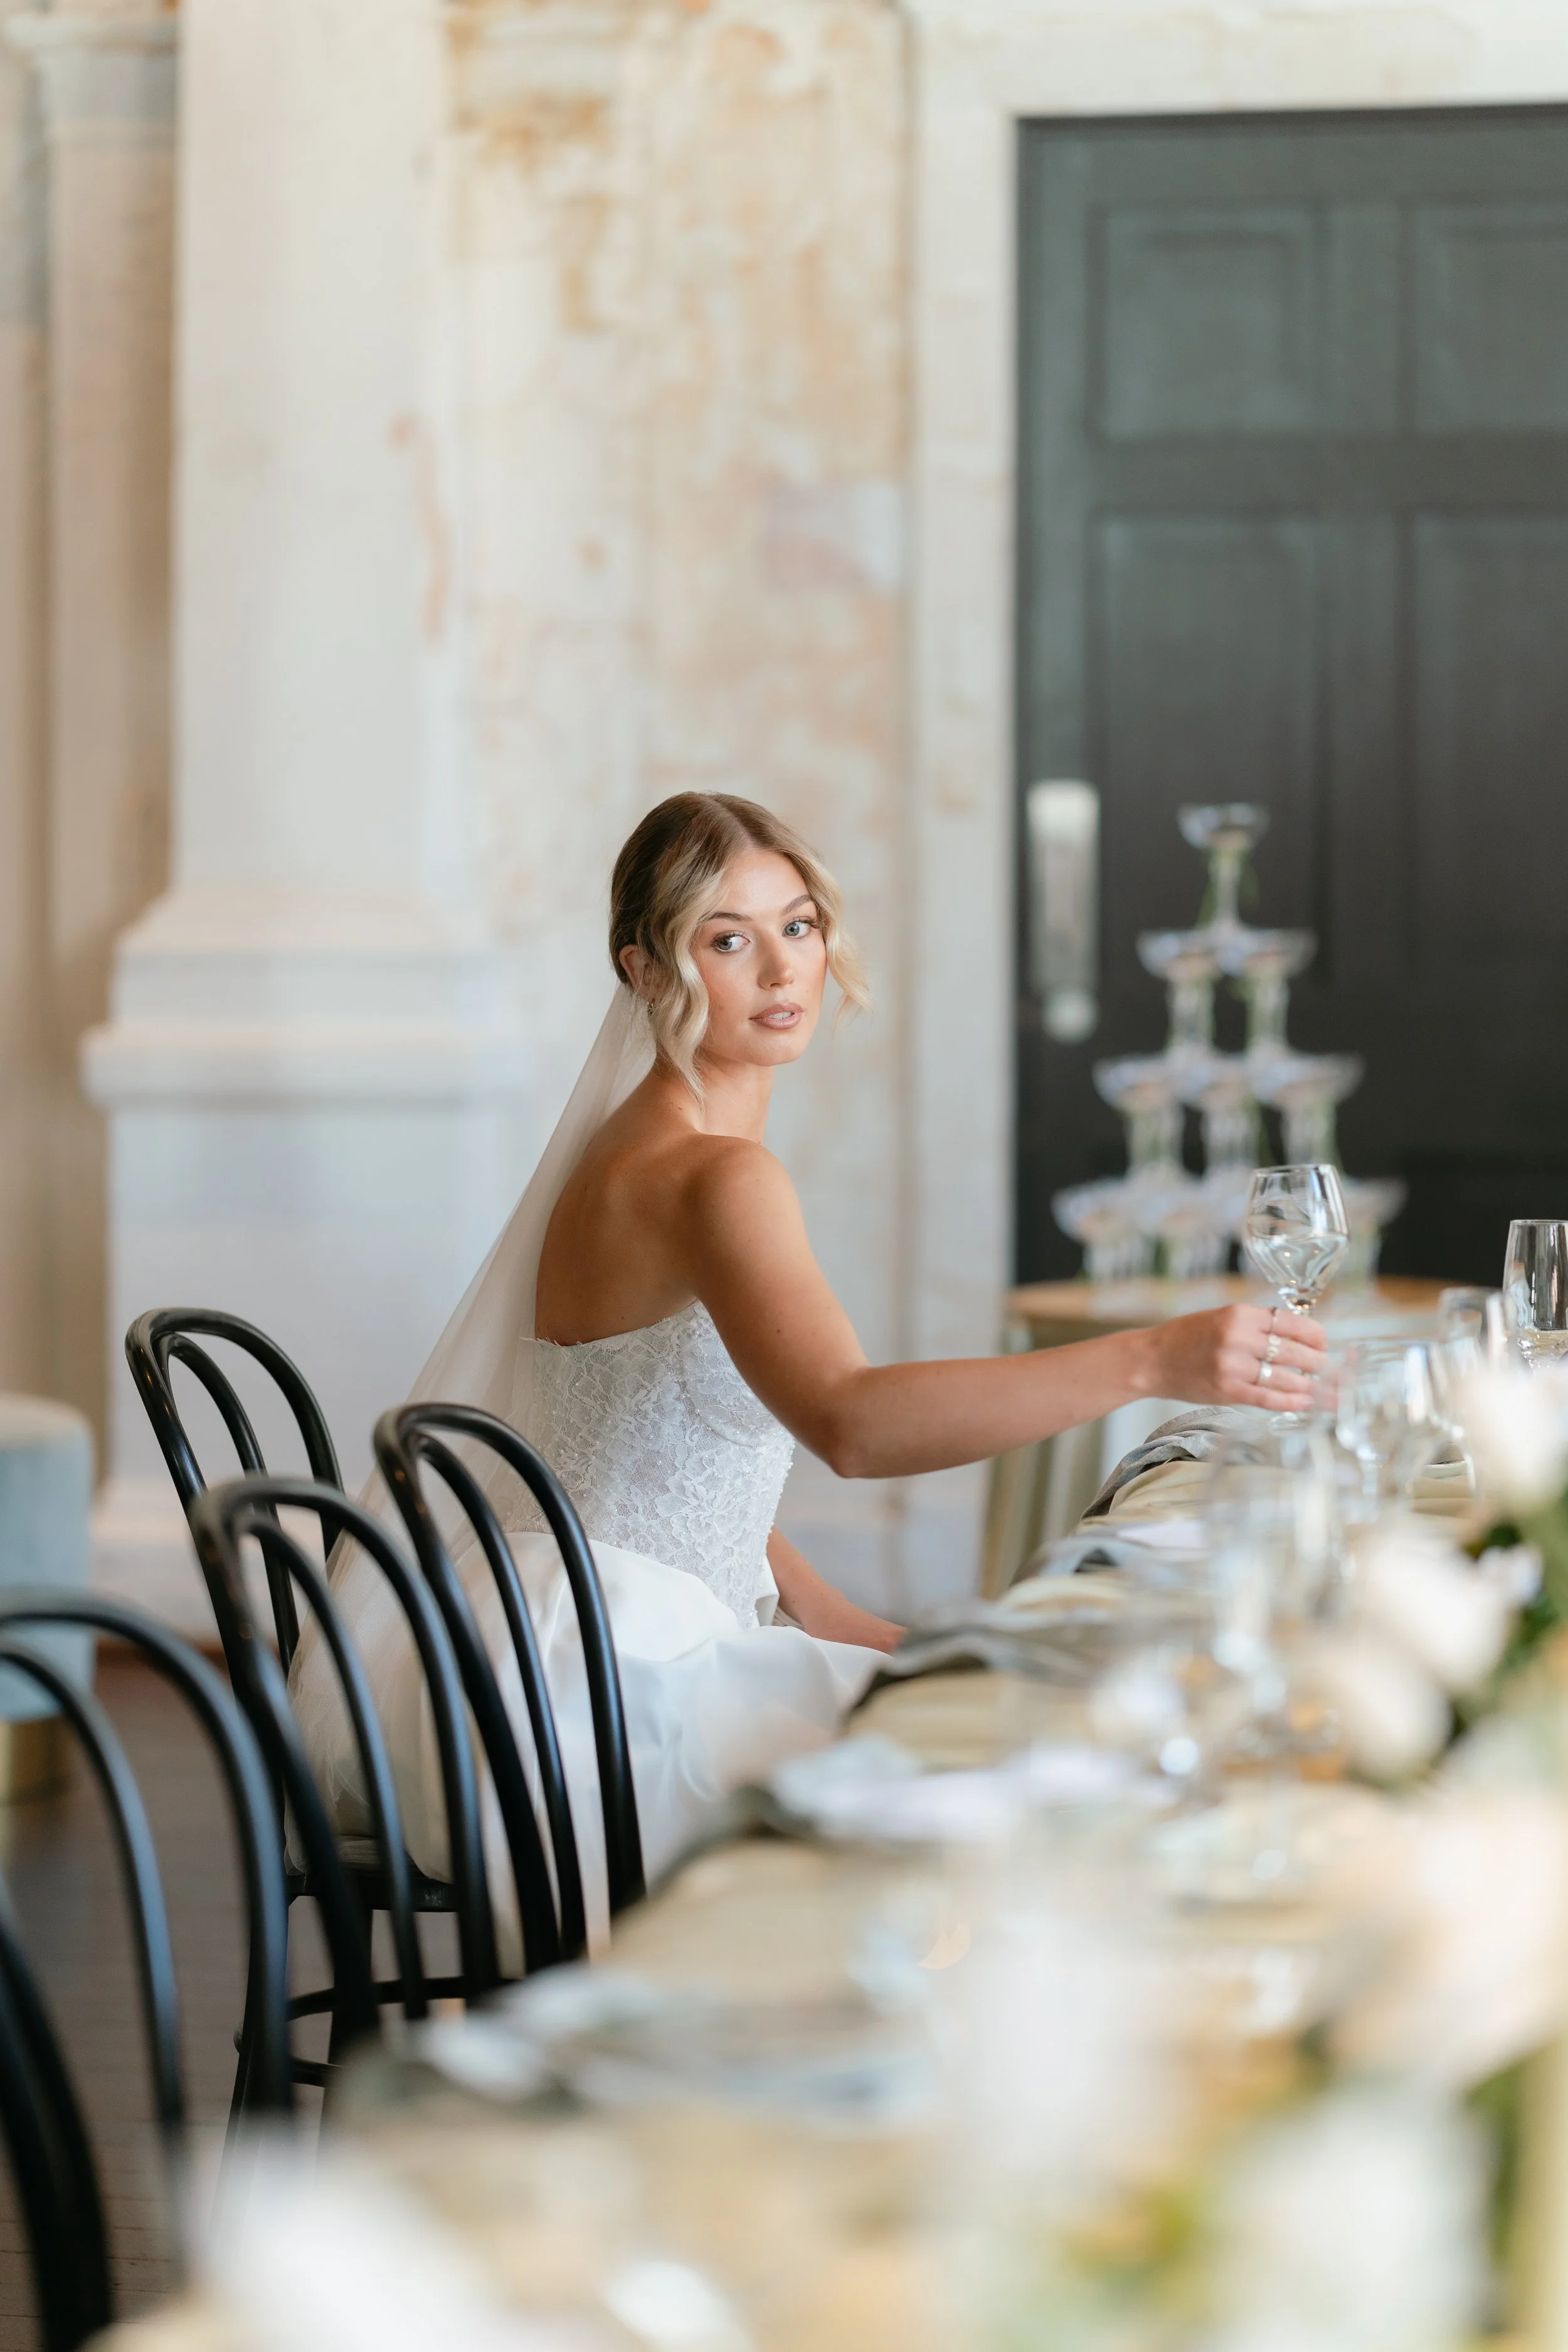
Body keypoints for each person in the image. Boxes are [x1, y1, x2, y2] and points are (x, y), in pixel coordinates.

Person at [294, 793, 1325, 1949]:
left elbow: (645, 1447)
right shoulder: (713, 1177)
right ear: (646, 968)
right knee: (1052, 1769)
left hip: (532, 1645)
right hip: (610, 1692)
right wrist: (1156, 1356)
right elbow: (853, 1425)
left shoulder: (631, 1144)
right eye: (727, 938)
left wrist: (845, 1620)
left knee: (1001, 1698)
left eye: (799, 923)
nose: (782, 968)